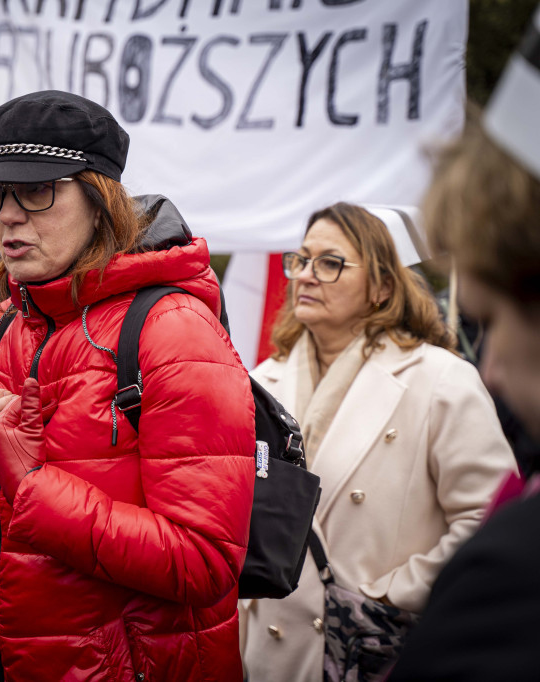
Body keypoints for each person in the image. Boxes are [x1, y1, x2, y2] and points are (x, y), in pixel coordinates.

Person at [0, 90, 256, 681]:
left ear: (100, 201)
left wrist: (36, 489)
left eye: (36, 191)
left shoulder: (173, 331)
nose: (9, 215)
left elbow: (205, 563)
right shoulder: (9, 325)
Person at [239, 202, 517, 681]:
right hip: (269, 654)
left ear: (384, 286)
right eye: (300, 259)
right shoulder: (260, 381)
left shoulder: (441, 379)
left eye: (330, 263)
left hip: (377, 651)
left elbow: (492, 514)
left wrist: (394, 592)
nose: (305, 275)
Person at [387, 11, 540, 677]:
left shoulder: (510, 583)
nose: (495, 370)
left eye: (497, 319)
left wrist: (384, 595)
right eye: (301, 260)